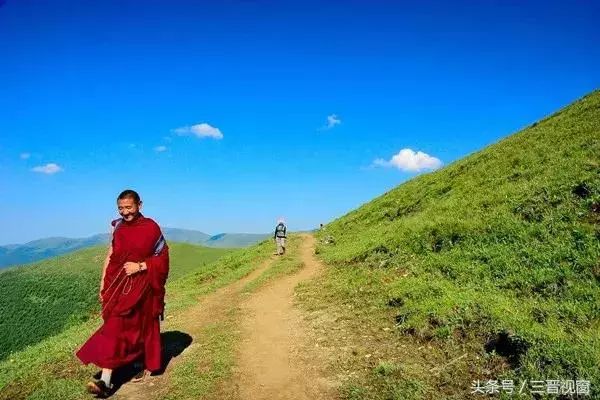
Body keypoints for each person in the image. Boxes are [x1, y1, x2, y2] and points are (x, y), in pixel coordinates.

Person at [76, 190, 170, 398]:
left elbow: (162, 259)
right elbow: (111, 254)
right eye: (121, 208)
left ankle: (105, 381)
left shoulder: (151, 228)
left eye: (129, 207)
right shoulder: (117, 227)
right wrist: (103, 283)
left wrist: (141, 266)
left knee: (125, 326)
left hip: (141, 285)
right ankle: (128, 364)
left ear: (139, 205)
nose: (125, 212)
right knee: (122, 327)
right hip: (117, 284)